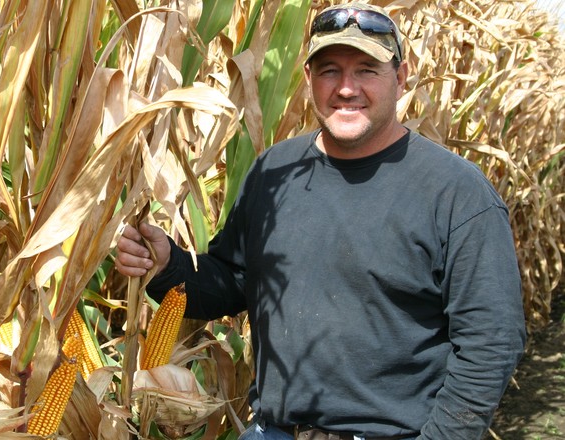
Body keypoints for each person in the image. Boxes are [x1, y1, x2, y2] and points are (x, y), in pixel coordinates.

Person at [115, 3, 526, 439]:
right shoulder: (275, 171)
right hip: (273, 431)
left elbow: (490, 340)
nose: (346, 88)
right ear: (309, 80)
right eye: (330, 70)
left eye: (367, 70)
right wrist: (167, 266)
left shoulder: (455, 192)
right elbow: (235, 280)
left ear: (400, 78)